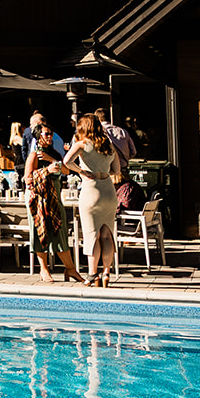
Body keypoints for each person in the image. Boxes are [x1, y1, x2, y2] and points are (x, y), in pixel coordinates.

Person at [23, 120, 87, 284]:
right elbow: (28, 179)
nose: (50, 136)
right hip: (38, 200)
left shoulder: (54, 154)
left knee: (61, 234)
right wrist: (46, 170)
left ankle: (70, 269)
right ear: (38, 137)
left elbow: (65, 170)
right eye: (46, 134)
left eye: (51, 134)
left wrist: (51, 160)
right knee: (40, 233)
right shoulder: (33, 156)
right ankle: (43, 269)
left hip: (55, 200)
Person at [61, 114, 122, 286]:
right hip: (108, 191)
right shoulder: (108, 145)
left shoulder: (82, 144)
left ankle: (92, 273)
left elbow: (67, 161)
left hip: (91, 189)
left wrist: (82, 172)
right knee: (107, 234)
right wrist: (104, 172)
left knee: (91, 234)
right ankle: (107, 272)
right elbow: (116, 170)